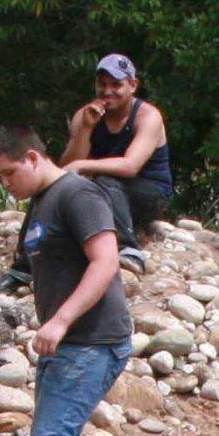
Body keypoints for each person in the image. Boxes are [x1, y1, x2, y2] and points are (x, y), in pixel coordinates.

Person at [0, 124, 147, 436]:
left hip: (93, 339)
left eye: (10, 173)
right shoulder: (41, 203)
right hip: (68, 343)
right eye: (0, 178)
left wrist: (60, 320)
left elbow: (106, 261)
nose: (7, 185)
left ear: (34, 158)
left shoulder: (79, 195)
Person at [60, 53, 171, 273]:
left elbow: (130, 166)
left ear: (132, 85)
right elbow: (67, 166)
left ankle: (129, 249)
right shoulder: (85, 115)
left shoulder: (147, 116)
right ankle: (23, 265)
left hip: (148, 192)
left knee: (105, 180)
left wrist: (84, 166)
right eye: (102, 84)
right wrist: (86, 129)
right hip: (103, 190)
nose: (107, 91)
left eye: (116, 85)